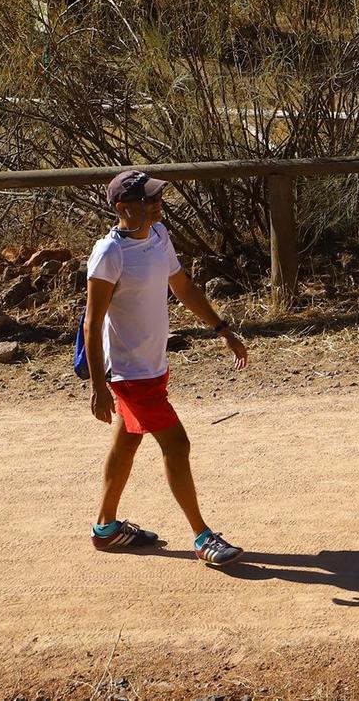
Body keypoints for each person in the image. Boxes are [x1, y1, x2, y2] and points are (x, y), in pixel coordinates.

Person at [85, 168, 249, 567]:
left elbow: (183, 286)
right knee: (177, 444)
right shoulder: (110, 254)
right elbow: (93, 320)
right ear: (125, 208)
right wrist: (98, 386)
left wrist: (222, 328)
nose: (160, 204)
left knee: (127, 442)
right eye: (151, 200)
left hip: (153, 364)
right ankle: (202, 536)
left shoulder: (158, 236)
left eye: (159, 198)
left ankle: (106, 530)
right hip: (129, 373)